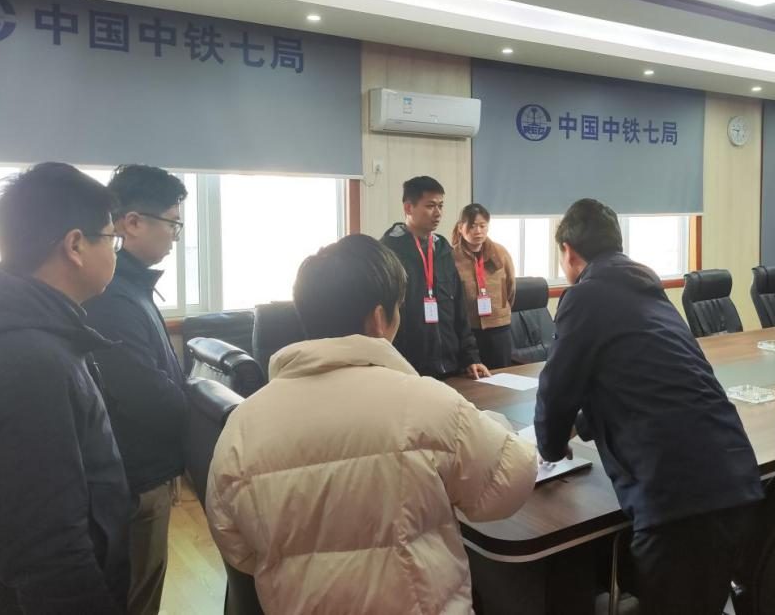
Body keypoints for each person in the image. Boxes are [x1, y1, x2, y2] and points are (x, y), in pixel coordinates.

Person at [206, 234, 536, 614]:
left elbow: (236, 544)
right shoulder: (428, 403)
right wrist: (491, 424)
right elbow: (511, 481)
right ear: (379, 319)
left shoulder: (243, 424)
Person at [534, 198, 763, 615]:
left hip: (676, 498)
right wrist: (581, 425)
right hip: (735, 478)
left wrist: (549, 448)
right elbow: (647, 382)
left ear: (568, 251)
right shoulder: (649, 292)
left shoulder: (584, 297)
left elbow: (556, 389)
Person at [0, 162, 131, 614]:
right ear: (75, 245)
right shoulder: (24, 360)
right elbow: (46, 553)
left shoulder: (25, 329)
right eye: (112, 239)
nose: (115, 252)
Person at [84, 165, 189, 615]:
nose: (176, 237)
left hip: (146, 471)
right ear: (132, 222)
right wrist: (197, 412)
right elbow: (143, 393)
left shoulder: (131, 285)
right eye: (173, 223)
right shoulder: (112, 295)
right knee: (136, 597)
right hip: (136, 480)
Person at [381, 176, 488, 379]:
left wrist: (471, 357)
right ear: (408, 208)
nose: (438, 213)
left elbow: (459, 310)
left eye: (441, 206)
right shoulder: (389, 252)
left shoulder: (443, 250)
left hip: (451, 366)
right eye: (430, 206)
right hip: (409, 370)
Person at [451, 203, 516, 369]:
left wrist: (501, 309)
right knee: (472, 379)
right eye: (472, 226)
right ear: (460, 227)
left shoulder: (500, 253)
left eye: (482, 225)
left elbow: (511, 288)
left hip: (499, 328)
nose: (478, 231)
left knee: (502, 376)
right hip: (468, 331)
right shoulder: (451, 257)